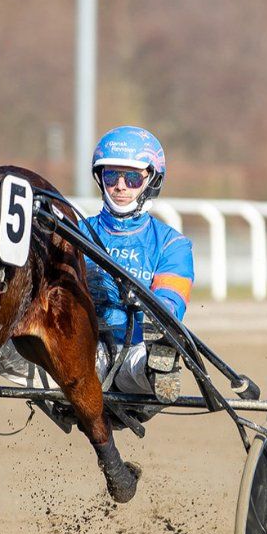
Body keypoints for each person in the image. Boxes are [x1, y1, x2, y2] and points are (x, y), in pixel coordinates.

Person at [83, 125, 193, 402]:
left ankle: (158, 369)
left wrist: (143, 304)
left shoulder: (172, 244)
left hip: (132, 350)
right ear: (100, 178)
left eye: (132, 178)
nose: (120, 186)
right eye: (111, 176)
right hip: (77, 346)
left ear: (151, 181)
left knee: (141, 361)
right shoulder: (75, 233)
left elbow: (170, 304)